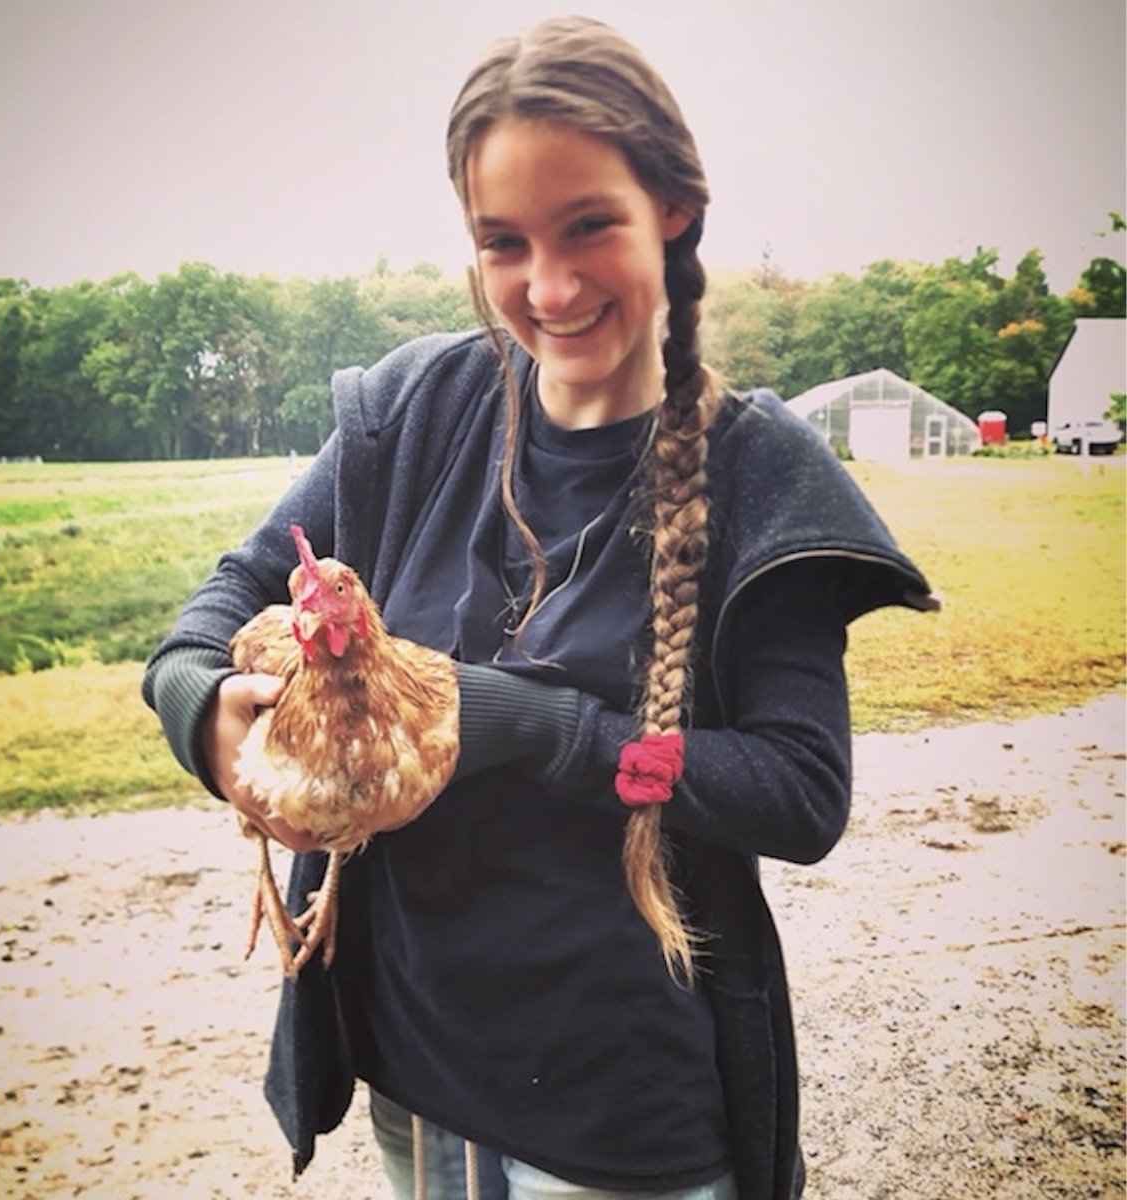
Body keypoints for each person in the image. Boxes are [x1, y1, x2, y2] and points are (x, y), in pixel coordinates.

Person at [143, 15, 935, 1200]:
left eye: (589, 227)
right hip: (412, 1075)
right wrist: (209, 719)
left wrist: (546, 729)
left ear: (675, 209)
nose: (548, 287)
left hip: (620, 1118)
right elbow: (214, 610)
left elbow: (800, 793)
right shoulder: (418, 411)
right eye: (502, 242)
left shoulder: (758, 472)